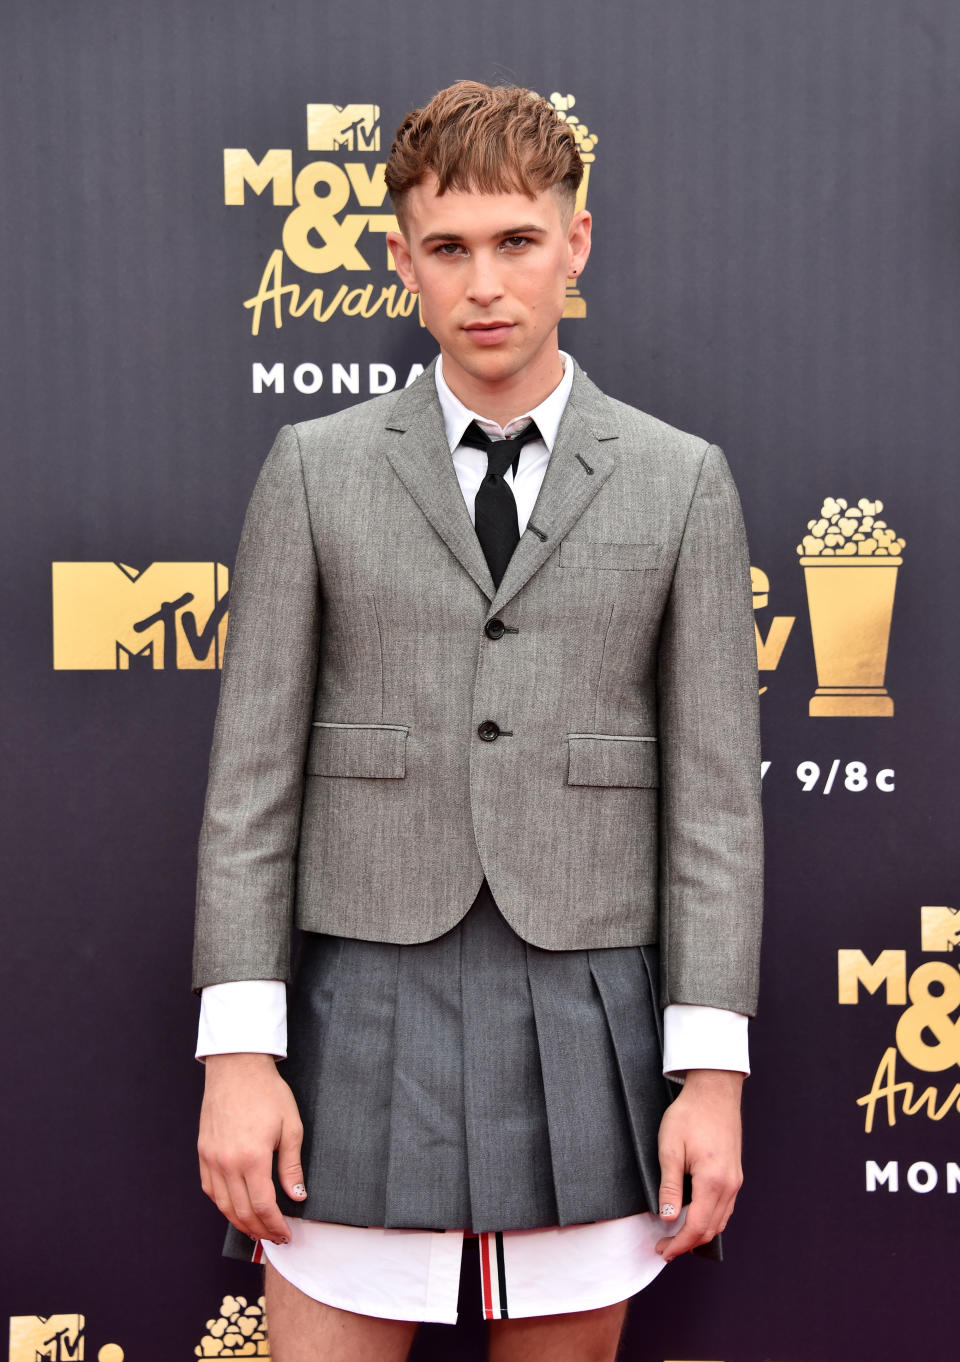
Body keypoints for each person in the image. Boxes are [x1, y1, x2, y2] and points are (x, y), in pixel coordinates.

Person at [193, 80, 763, 1362]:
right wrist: (238, 1054)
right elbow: (251, 787)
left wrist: (711, 1079)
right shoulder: (314, 468)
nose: (485, 282)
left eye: (516, 240)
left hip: (590, 1011)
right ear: (400, 262)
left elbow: (718, 808)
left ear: (578, 242)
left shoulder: (682, 482)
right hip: (359, 1002)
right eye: (448, 249)